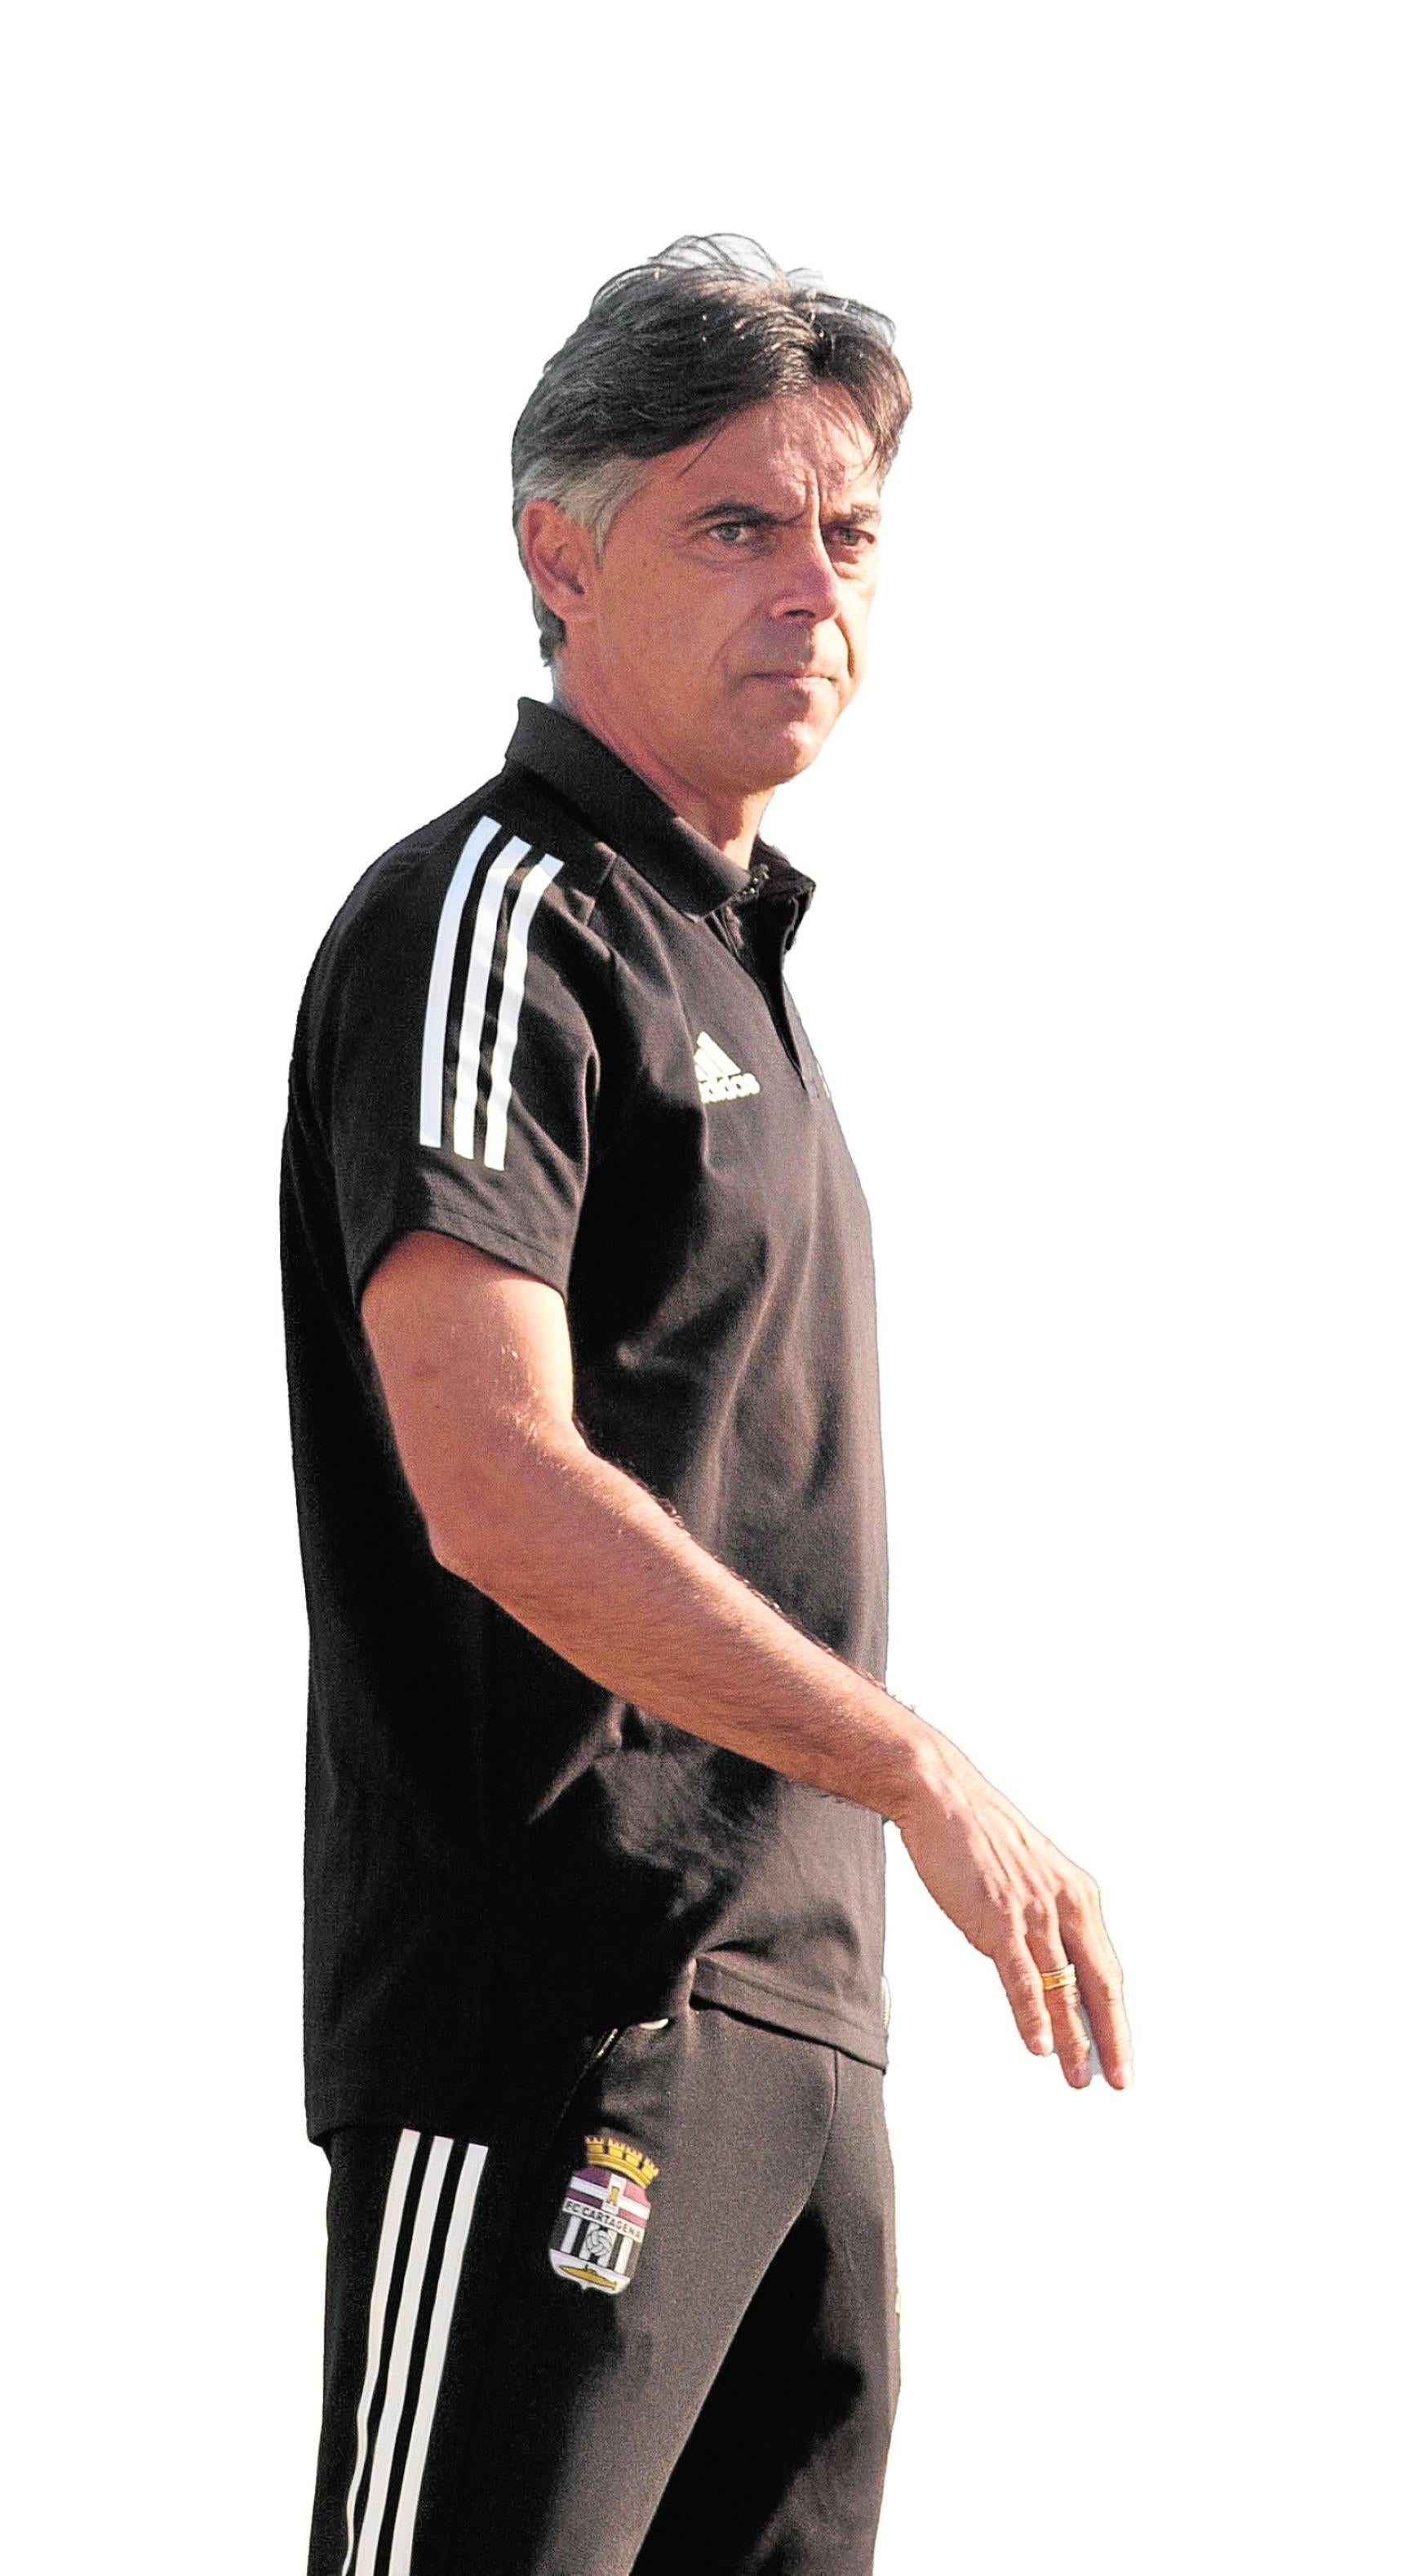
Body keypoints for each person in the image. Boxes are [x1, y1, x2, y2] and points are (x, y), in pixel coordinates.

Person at [281, 232, 1132, 2576]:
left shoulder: (740, 975)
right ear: (560, 558)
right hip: (556, 2016)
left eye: (848, 533)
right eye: (736, 524)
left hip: (805, 2034)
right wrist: (915, 1763)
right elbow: (492, 1479)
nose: (811, 587)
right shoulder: (498, 915)